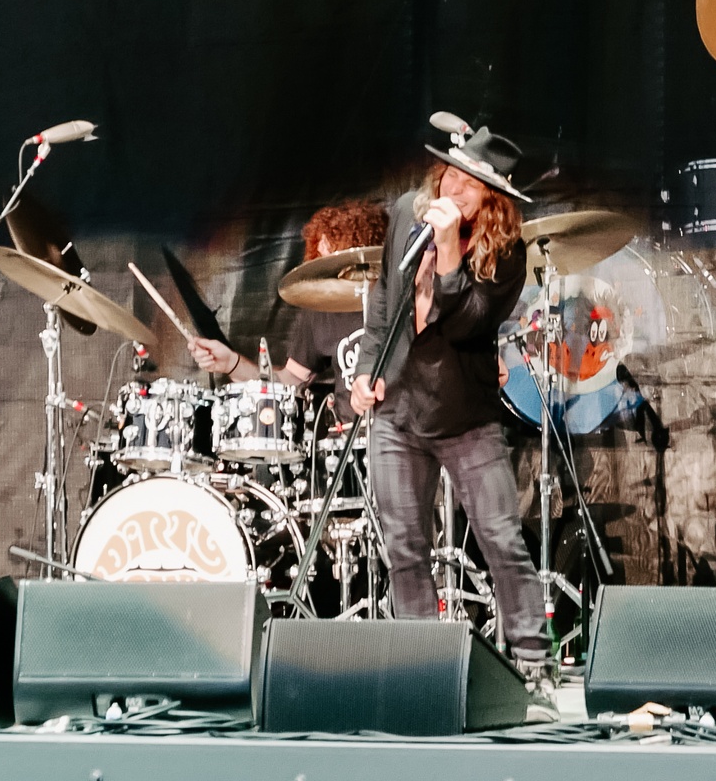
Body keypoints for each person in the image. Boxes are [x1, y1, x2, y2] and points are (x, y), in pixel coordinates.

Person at [348, 116, 549, 674]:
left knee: (501, 540)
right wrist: (367, 375)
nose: (453, 191)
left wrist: (448, 253)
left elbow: (464, 329)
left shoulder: (507, 253)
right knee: (404, 546)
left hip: (465, 415)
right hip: (400, 411)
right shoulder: (405, 216)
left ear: (492, 200)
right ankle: (422, 668)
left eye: (470, 185)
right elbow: (384, 309)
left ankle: (533, 662)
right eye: (450, 177)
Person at [189, 199, 386, 389]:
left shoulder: (401, 302)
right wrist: (232, 363)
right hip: (349, 423)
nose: (324, 256)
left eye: (335, 252)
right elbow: (290, 379)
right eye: (322, 258)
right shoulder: (321, 310)